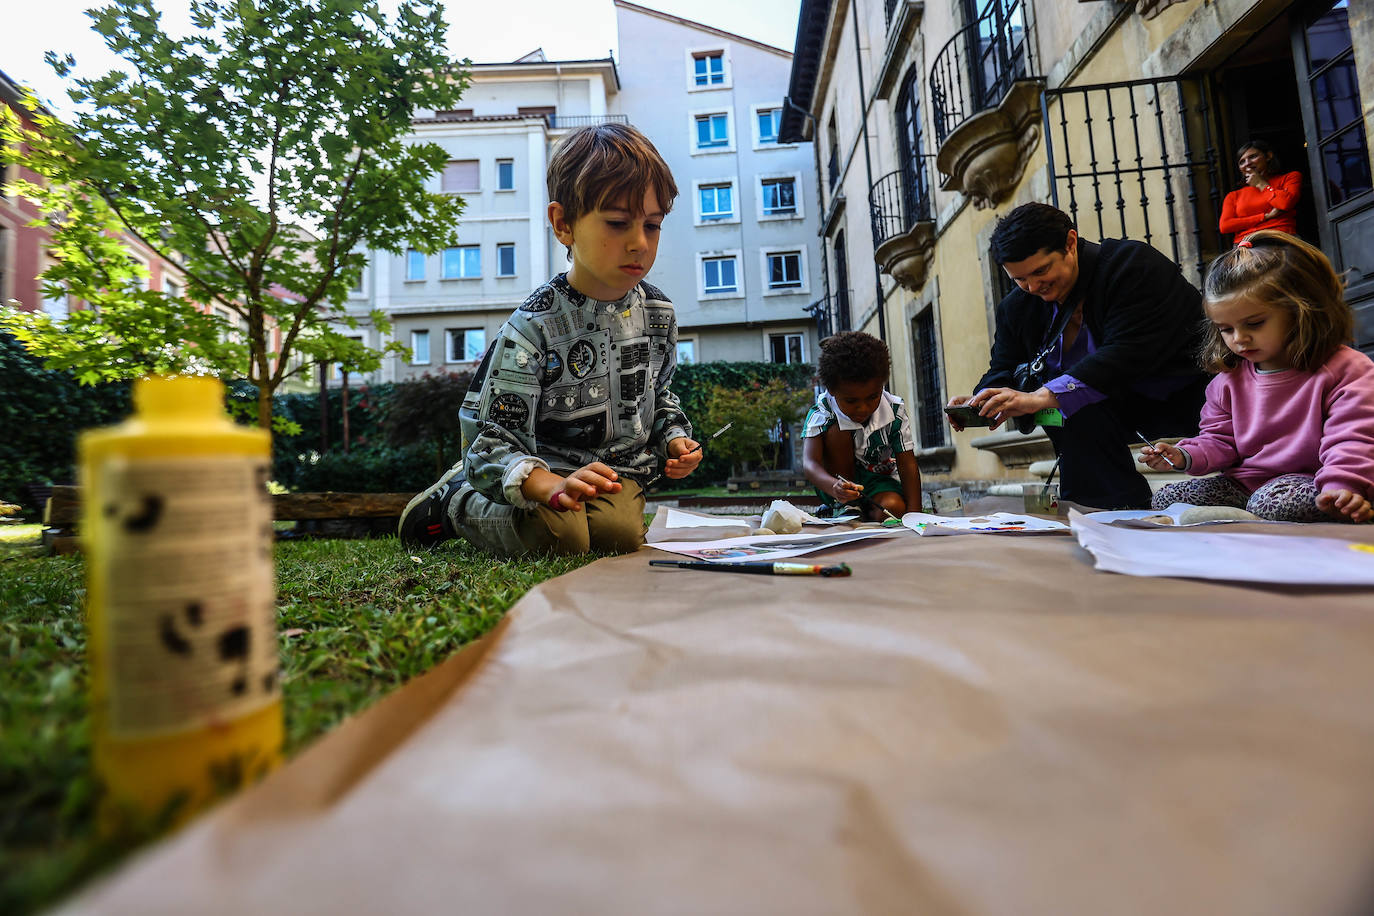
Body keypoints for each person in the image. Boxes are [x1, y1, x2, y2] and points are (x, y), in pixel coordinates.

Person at [398, 123, 702, 556]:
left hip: (614, 473)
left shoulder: (659, 315)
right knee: (560, 538)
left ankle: (566, 509)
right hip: (533, 468)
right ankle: (454, 503)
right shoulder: (534, 325)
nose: (639, 243)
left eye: (652, 226)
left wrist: (673, 438)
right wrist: (546, 484)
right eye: (617, 223)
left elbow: (659, 396)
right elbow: (492, 436)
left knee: (619, 537)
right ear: (563, 224)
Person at [947, 202, 1210, 509]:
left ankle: (1116, 510)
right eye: (1018, 279)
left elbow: (1126, 355)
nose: (1032, 287)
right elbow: (1003, 367)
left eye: (1041, 271)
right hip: (1093, 420)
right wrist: (982, 400)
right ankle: (1101, 510)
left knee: (1058, 403)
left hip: (1183, 403)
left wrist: (1041, 396)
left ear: (1070, 243)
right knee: (1057, 411)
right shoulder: (1016, 307)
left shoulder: (1133, 267)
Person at [1140, 231, 1374, 522]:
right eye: (1225, 329)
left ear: (1300, 311)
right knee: (1165, 496)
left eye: (1255, 323)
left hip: (1314, 481)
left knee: (1269, 502)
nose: (1239, 339)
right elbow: (1219, 441)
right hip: (1246, 485)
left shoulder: (1347, 369)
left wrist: (1343, 485)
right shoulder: (1226, 382)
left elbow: (1352, 437)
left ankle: (1341, 504)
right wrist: (1183, 455)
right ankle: (1246, 515)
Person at [801, 331, 922, 521]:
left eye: (872, 397)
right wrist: (834, 487)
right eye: (851, 400)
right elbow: (810, 464)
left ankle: (862, 512)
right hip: (837, 483)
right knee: (837, 430)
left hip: (878, 481)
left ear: (882, 386)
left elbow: (907, 463)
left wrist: (916, 516)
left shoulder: (895, 409)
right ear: (832, 391)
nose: (863, 408)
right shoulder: (822, 412)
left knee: (894, 508)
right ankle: (843, 506)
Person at [1218, 140, 1302, 244]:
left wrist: (1261, 184)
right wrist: (1265, 216)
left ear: (1268, 156)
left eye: (1253, 156)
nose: (1247, 163)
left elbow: (1285, 203)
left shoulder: (1289, 178)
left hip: (1282, 237)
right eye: (1242, 162)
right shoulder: (1233, 196)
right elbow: (1225, 226)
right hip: (1247, 243)